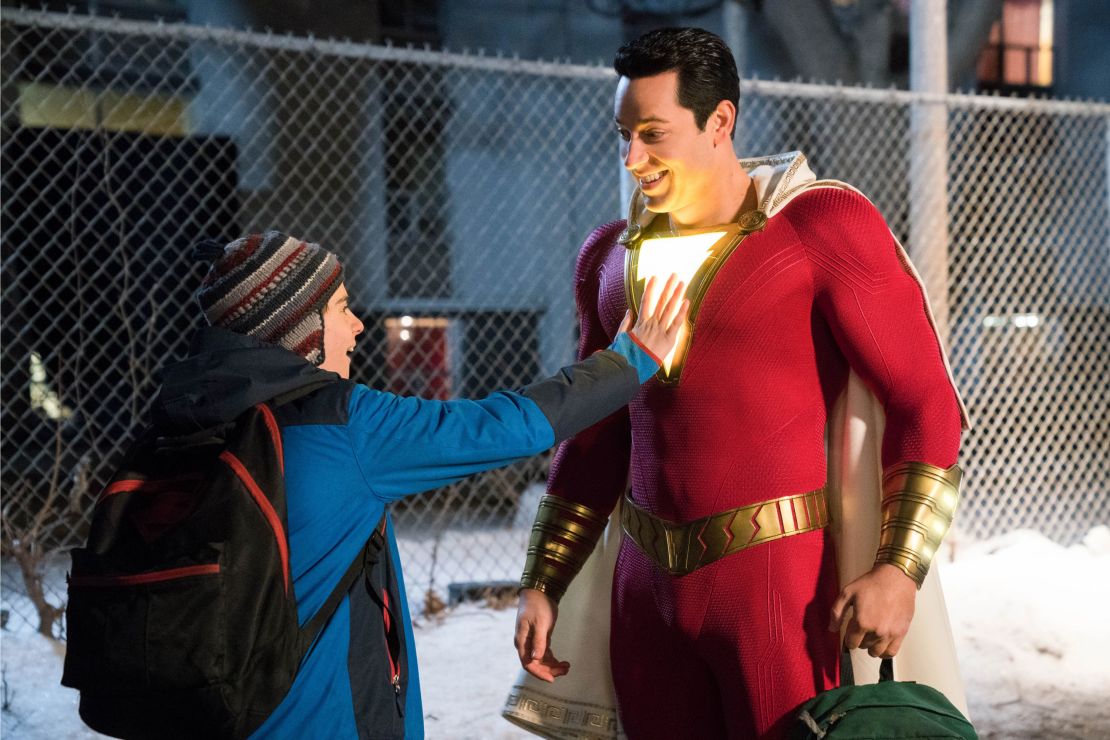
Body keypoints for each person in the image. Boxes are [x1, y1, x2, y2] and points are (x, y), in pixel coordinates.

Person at [510, 27, 971, 740]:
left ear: (719, 121)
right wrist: (546, 579)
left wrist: (898, 569)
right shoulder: (607, 258)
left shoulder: (823, 226)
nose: (633, 158)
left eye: (654, 134)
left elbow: (925, 403)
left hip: (779, 594)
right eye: (624, 134)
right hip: (643, 594)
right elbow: (596, 435)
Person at [151, 230, 687, 739]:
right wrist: (627, 362)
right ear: (299, 327)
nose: (358, 325)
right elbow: (498, 426)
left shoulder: (176, 423)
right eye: (340, 309)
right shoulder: (341, 428)